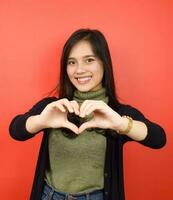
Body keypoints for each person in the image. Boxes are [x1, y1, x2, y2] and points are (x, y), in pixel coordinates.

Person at [9, 28, 166, 200]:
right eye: (71, 62)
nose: (79, 70)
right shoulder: (54, 107)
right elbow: (15, 130)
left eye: (89, 60)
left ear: (104, 63)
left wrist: (120, 124)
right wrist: (41, 121)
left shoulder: (116, 113)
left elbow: (158, 138)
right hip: (50, 196)